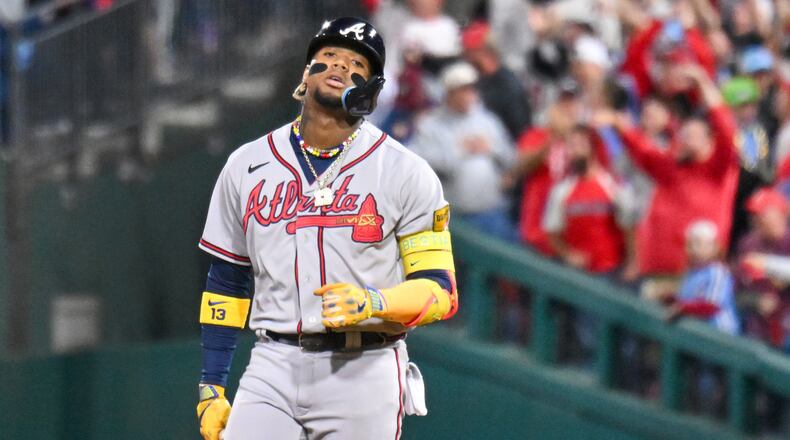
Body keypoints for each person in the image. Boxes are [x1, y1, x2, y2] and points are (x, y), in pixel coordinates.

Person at [195, 18, 459, 440]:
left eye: (356, 64)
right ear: (305, 74)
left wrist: (374, 302)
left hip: (364, 366)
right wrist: (212, 382)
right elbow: (226, 281)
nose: (338, 66)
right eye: (327, 57)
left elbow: (440, 290)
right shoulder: (246, 163)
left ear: (370, 90)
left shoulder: (406, 171)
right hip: (272, 362)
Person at [598, 63, 739, 280]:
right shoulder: (671, 166)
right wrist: (619, 124)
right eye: (684, 135)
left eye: (694, 136)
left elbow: (727, 131)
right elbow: (643, 150)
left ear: (710, 142)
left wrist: (702, 83)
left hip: (696, 274)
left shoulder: (717, 170)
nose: (686, 140)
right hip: (655, 269)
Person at [409, 61, 516, 240]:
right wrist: (459, 151)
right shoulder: (431, 124)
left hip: (492, 211)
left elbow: (511, 157)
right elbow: (419, 162)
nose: (470, 94)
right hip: (453, 216)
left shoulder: (488, 121)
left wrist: (491, 149)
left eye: (472, 89)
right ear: (449, 93)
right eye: (463, 90)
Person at [542, 124, 637, 278]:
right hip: (577, 274)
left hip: (612, 270)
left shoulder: (614, 185)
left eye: (581, 145)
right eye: (571, 146)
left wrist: (633, 263)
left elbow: (629, 228)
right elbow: (552, 231)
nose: (575, 151)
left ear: (594, 147)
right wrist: (568, 255)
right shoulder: (561, 190)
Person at [735, 188, 790, 351]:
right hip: (757, 329)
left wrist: (768, 266)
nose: (757, 220)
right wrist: (756, 301)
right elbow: (737, 291)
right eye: (755, 215)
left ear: (781, 215)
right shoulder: (748, 245)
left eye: (763, 214)